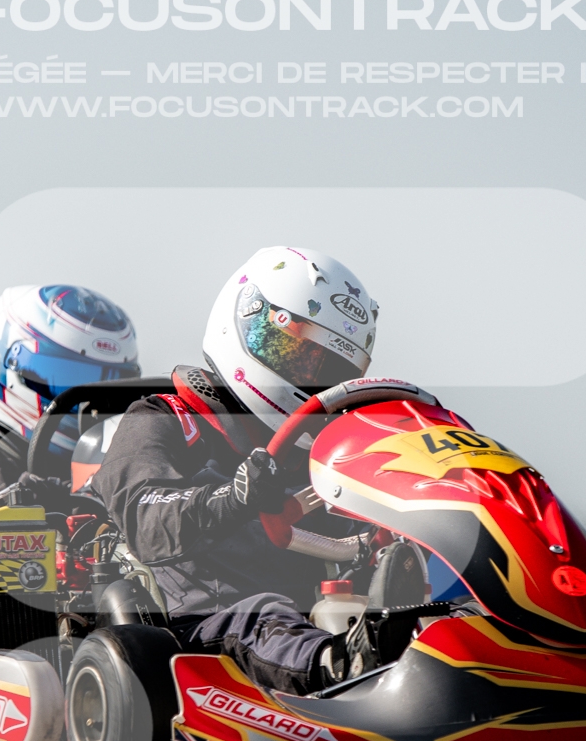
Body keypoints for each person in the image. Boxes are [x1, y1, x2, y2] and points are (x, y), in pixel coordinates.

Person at [89, 246, 382, 695]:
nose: (310, 378)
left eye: (328, 370)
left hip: (315, 613)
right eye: (298, 354)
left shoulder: (324, 452)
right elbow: (145, 518)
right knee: (264, 615)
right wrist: (234, 497)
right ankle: (340, 667)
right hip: (203, 624)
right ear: (247, 321)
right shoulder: (165, 418)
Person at [0, 283, 141, 533]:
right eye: (68, 377)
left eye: (109, 382)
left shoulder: (123, 458)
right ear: (12, 366)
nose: (91, 403)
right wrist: (34, 507)